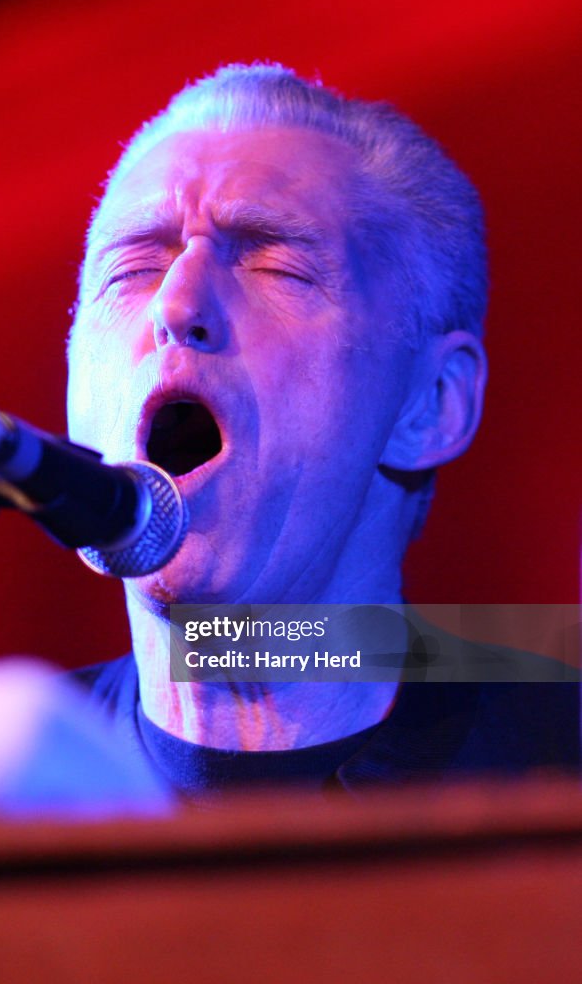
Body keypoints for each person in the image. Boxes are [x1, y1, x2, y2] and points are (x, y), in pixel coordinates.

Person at [64, 62, 579, 796]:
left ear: (429, 402)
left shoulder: (559, 775)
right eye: (133, 267)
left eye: (275, 265)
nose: (175, 306)